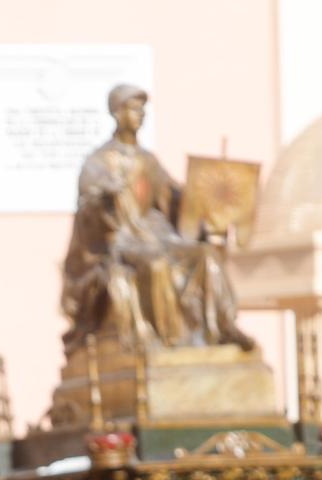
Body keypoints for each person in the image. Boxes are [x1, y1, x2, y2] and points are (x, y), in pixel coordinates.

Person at [59, 84, 255, 353]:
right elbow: (87, 214)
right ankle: (173, 344)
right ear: (117, 113)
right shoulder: (98, 162)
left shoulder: (148, 160)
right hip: (123, 241)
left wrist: (208, 204)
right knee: (157, 264)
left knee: (206, 255)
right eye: (134, 109)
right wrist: (104, 198)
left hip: (157, 235)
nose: (141, 115)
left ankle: (220, 327)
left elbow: (174, 197)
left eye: (143, 110)